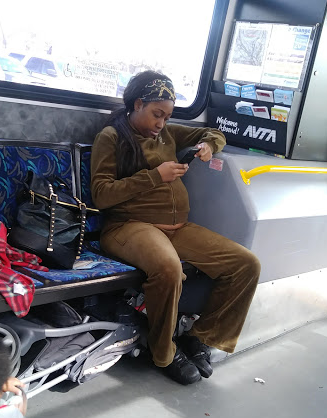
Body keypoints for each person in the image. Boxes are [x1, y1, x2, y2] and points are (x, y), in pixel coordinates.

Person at [91, 70, 261, 385]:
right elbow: (101, 195)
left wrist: (209, 145)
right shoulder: (112, 137)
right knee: (169, 268)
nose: (161, 123)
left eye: (167, 117)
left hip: (176, 228)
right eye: (157, 114)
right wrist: (155, 176)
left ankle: (200, 337)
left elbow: (214, 132)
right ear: (138, 104)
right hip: (128, 226)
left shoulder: (167, 135)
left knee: (245, 264)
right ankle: (164, 353)